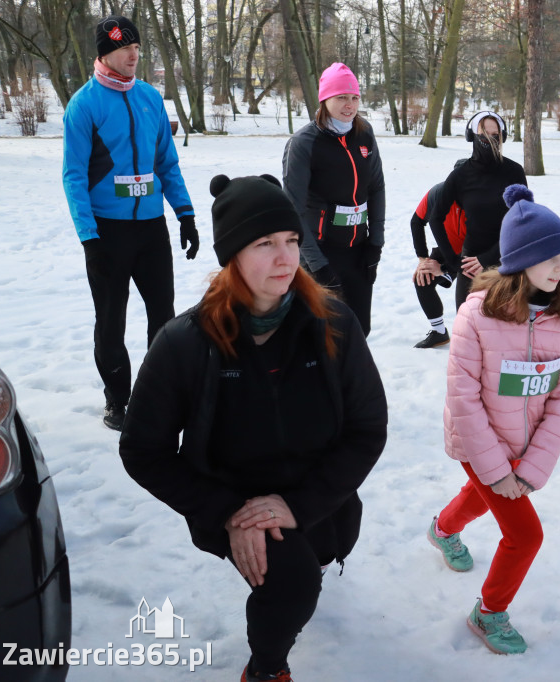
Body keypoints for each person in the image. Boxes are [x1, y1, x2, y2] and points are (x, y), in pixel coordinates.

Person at [119, 174, 387, 682]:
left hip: (314, 492)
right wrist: (230, 515)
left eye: (291, 240)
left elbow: (368, 427)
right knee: (291, 584)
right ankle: (266, 669)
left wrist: (301, 505)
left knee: (324, 550)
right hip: (231, 496)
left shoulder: (333, 323)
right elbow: (142, 450)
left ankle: (304, 554)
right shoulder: (185, 342)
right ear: (233, 256)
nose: (286, 258)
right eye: (265, 244)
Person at [426, 185, 560, 655]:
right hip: (479, 444)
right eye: (549, 257)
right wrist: (497, 471)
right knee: (525, 534)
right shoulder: (476, 317)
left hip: (523, 447)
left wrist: (531, 468)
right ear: (519, 261)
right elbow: (465, 399)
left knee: (480, 499)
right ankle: (488, 613)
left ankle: (443, 529)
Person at [62, 15, 198, 431]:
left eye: (137, 49)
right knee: (111, 320)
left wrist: (186, 214)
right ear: (104, 54)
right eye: (125, 49)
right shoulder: (84, 105)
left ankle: (158, 393)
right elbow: (74, 176)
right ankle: (117, 400)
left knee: (164, 315)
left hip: (150, 228)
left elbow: (166, 163)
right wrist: (89, 236)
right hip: (108, 232)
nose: (133, 56)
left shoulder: (150, 98)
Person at [283, 62, 386, 336]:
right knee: (323, 336)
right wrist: (317, 265)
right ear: (324, 99)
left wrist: (375, 244)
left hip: (359, 251)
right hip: (320, 252)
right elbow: (292, 208)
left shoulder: (364, 134)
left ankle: (352, 381)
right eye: (341, 97)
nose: (349, 105)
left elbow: (376, 188)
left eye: (354, 97)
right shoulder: (304, 142)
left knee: (358, 330)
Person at [430, 111, 527, 310]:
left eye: (495, 135)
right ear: (471, 136)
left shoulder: (514, 172)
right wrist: (453, 262)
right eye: (483, 135)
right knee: (467, 327)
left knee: (505, 330)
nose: (489, 140)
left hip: (508, 260)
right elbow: (435, 217)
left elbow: (524, 221)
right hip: (471, 265)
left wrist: (488, 259)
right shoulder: (460, 175)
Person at [411, 162, 468, 348]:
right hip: (447, 249)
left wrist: (443, 269)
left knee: (468, 303)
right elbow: (416, 222)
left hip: (475, 254)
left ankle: (475, 339)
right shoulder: (438, 194)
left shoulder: (480, 199)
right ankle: (439, 332)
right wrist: (423, 260)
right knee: (423, 276)